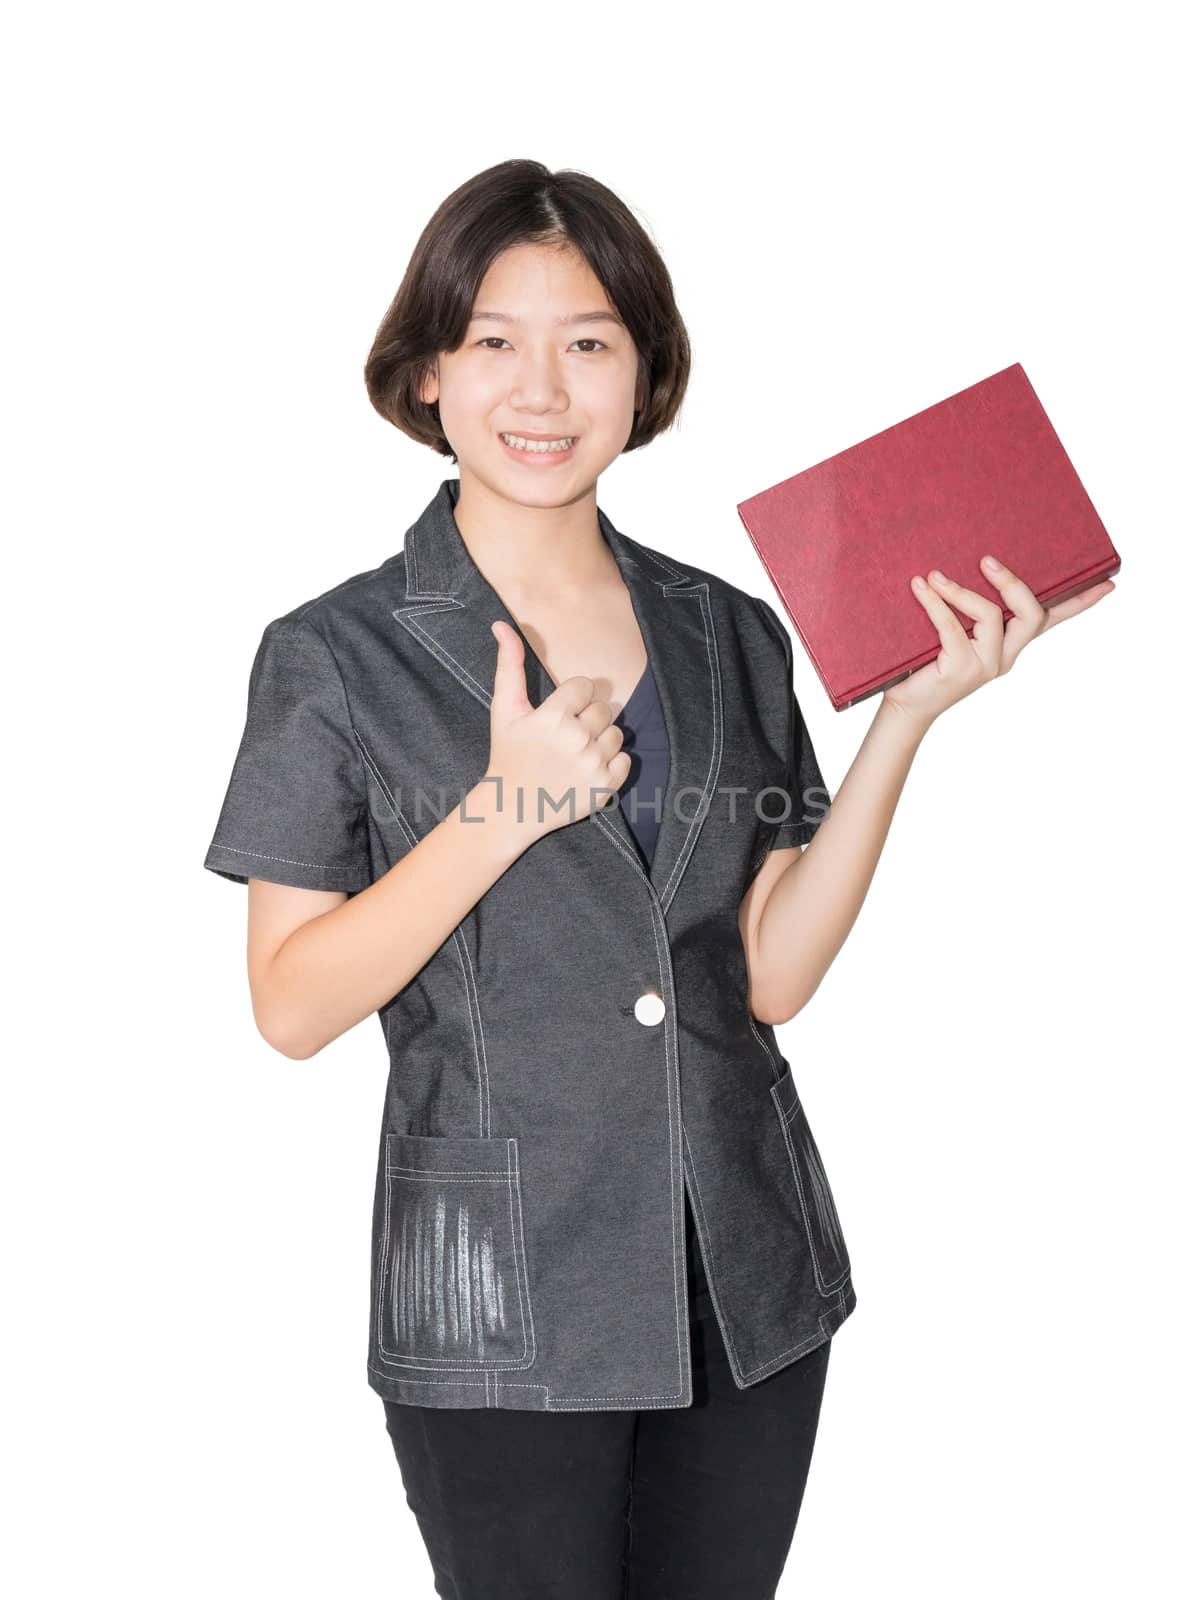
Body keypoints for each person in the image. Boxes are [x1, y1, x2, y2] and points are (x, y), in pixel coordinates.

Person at [202, 159, 1115, 1598]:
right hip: (501, 1292)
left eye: (589, 343)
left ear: (644, 375)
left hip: (743, 1276)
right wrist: (499, 812)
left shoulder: (728, 630)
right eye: (493, 340)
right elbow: (290, 1004)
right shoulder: (333, 654)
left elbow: (769, 975)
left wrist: (906, 718)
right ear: (429, 373)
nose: (541, 390)